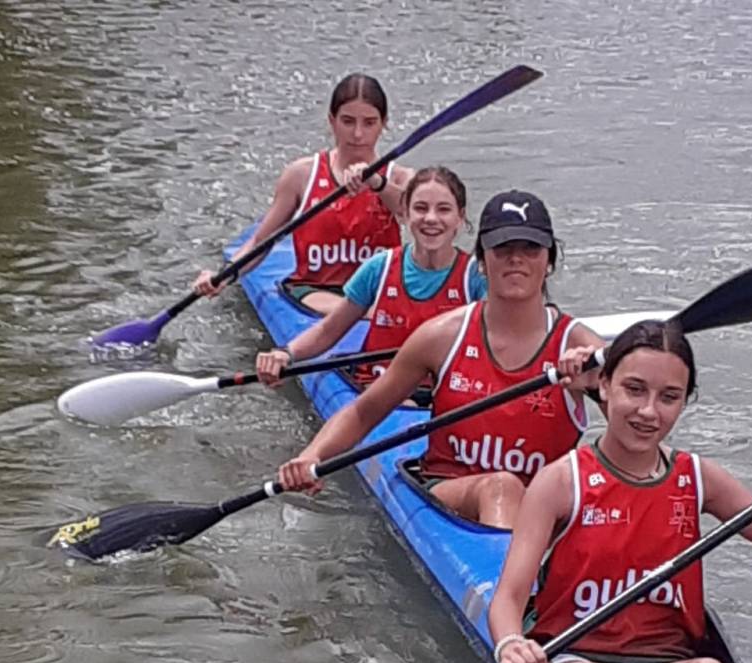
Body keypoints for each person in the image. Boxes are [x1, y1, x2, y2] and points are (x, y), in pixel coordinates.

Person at [487, 319, 752, 663]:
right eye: (634, 390)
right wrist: (511, 643)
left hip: (669, 661)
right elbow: (509, 597)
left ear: (685, 402)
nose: (649, 411)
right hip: (576, 658)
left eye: (669, 397)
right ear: (603, 386)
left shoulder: (700, 478)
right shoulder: (560, 482)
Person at [275, 189, 605, 528]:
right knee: (503, 486)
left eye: (530, 249)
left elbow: (640, 433)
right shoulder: (441, 336)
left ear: (549, 262)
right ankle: (504, 577)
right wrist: (311, 456)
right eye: (503, 249)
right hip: (450, 493)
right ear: (481, 261)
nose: (516, 259)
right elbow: (364, 412)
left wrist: (594, 386)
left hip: (541, 506)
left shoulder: (581, 346)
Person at [193, 74, 412, 314]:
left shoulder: (400, 178)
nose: (358, 134)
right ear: (332, 121)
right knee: (346, 306)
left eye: (369, 123)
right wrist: (224, 276)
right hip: (316, 292)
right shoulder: (301, 175)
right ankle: (359, 314)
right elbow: (260, 242)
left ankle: (368, 314)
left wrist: (376, 182)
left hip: (377, 293)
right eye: (348, 121)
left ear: (383, 123)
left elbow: (409, 213)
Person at [254, 166, 485, 389]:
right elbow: (328, 331)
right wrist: (286, 353)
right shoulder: (379, 268)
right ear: (404, 213)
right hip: (378, 390)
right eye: (421, 208)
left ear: (460, 217)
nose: (431, 218)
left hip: (445, 390)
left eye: (444, 209)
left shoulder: (476, 276)